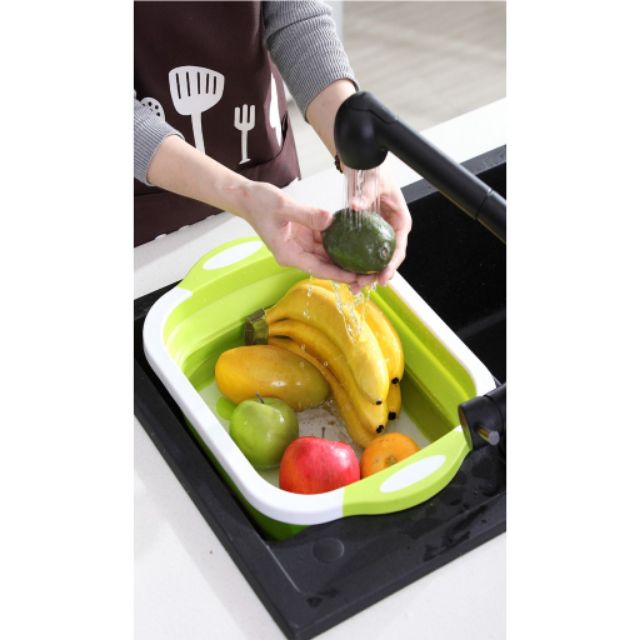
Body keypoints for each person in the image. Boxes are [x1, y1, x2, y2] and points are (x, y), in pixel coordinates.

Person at [134, 0, 411, 289]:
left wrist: (354, 151)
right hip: (151, 214)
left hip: (264, 171)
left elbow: (296, 17)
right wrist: (241, 195)